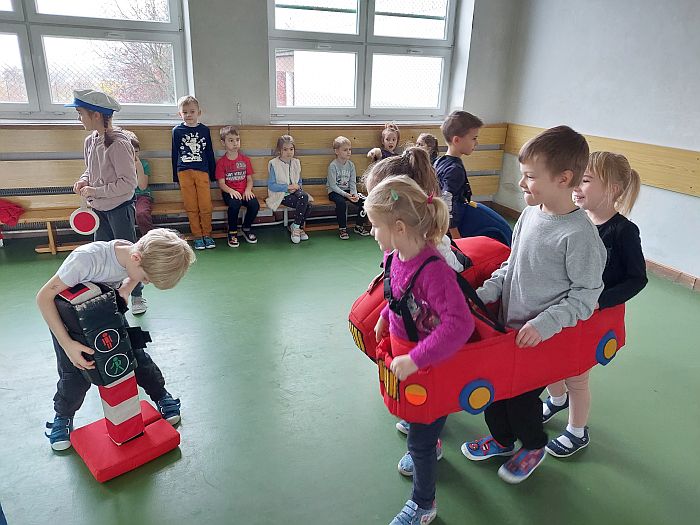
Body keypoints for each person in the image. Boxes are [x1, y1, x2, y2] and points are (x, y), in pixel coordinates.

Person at [461, 126, 606, 484]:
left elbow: (586, 297)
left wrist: (544, 324)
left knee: (521, 401)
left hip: (542, 339)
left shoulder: (579, 235)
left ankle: (533, 445)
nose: (521, 183)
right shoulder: (529, 215)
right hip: (508, 330)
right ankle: (503, 441)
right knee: (497, 393)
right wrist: (488, 292)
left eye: (529, 176)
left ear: (563, 179)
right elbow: (512, 265)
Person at [366, 176, 474, 525]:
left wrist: (415, 359)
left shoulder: (434, 271)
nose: (372, 233)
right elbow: (398, 293)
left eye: (375, 226)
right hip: (412, 358)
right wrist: (385, 315)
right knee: (419, 419)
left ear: (399, 227)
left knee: (419, 441)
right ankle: (432, 440)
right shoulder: (395, 255)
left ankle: (424, 503)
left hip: (431, 365)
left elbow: (460, 324)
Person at [37, 228, 195, 451]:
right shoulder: (85, 261)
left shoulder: (132, 254)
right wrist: (67, 344)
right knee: (75, 374)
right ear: (136, 258)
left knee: (136, 357)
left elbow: (133, 275)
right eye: (146, 278)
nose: (146, 283)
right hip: (69, 326)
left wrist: (125, 290)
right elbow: (43, 298)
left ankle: (161, 395)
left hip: (106, 314)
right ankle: (62, 416)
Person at [542, 151, 647, 457]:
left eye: (585, 180)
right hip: (564, 309)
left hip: (593, 315)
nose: (576, 186)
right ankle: (557, 399)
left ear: (613, 189)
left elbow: (637, 278)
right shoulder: (575, 221)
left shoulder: (624, 231)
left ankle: (577, 431)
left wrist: (599, 302)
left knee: (576, 375)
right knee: (547, 361)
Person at [65, 89, 147, 315]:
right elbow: (90, 170)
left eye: (80, 113)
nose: (79, 118)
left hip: (120, 210)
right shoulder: (90, 141)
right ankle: (107, 295)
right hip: (98, 210)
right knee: (100, 254)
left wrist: (96, 190)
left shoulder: (119, 144)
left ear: (96, 115)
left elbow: (128, 184)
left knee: (130, 254)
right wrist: (83, 181)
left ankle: (136, 295)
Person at [171, 95, 216, 250]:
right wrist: (175, 175)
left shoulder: (204, 130)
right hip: (184, 172)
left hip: (202, 171)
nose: (188, 115)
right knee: (191, 205)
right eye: (185, 112)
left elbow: (209, 152)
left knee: (205, 205)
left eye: (192, 111)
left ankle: (207, 234)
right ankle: (197, 236)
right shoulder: (177, 131)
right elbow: (175, 153)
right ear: (180, 114)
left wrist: (212, 173)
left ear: (199, 112)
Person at [434, 111, 482, 238]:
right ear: (456, 140)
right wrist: (454, 232)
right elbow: (448, 200)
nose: (476, 143)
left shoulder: (439, 161)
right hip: (447, 227)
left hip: (439, 219)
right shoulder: (454, 170)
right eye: (474, 138)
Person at [215, 126, 259, 248]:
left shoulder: (245, 160)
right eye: (231, 140)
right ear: (223, 142)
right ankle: (232, 232)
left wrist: (248, 190)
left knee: (254, 204)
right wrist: (231, 191)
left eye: (237, 140)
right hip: (229, 192)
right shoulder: (221, 162)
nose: (235, 143)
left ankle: (246, 228)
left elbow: (249, 179)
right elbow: (222, 184)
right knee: (235, 204)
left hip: (244, 191)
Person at [266, 135, 313, 244]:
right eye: (285, 149)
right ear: (279, 150)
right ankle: (297, 227)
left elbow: (299, 181)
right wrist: (287, 187)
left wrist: (297, 187)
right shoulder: (274, 164)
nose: (289, 152)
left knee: (306, 200)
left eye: (291, 149)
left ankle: (296, 226)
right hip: (281, 194)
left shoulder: (296, 162)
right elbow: (272, 185)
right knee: (307, 204)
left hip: (295, 192)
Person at [327, 136, 369, 239]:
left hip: (348, 191)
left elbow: (352, 182)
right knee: (341, 203)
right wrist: (346, 195)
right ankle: (342, 228)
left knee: (366, 201)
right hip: (335, 192)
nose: (349, 152)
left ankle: (359, 226)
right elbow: (333, 185)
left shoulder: (351, 165)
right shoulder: (333, 166)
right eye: (345, 150)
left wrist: (354, 194)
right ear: (337, 151)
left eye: (350, 149)